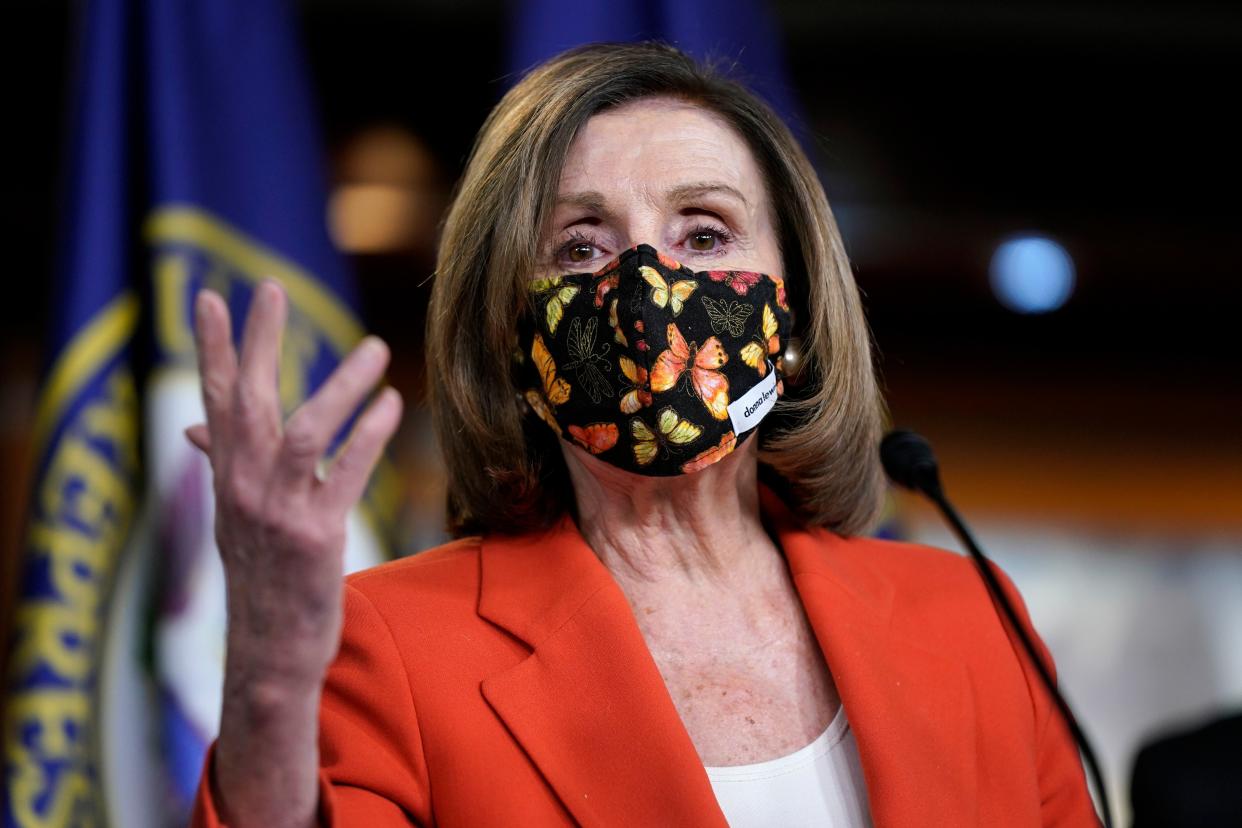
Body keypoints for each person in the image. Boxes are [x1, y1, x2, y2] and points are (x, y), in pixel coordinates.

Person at [189, 43, 1098, 827]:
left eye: (704, 234)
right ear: (509, 334)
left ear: (799, 311)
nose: (647, 287)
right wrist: (269, 671)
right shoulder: (394, 648)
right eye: (581, 246)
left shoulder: (974, 620)